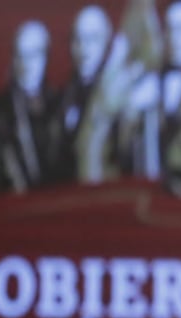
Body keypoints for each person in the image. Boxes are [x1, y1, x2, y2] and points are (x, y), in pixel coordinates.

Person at [115, 0, 181, 197]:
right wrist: (132, 111)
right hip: (147, 197)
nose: (176, 38)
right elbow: (121, 151)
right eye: (170, 29)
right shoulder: (147, 81)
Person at [0, 20, 56, 197]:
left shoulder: (59, 103)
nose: (26, 65)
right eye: (20, 55)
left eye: (34, 55)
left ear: (46, 56)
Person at [49, 5, 113, 185]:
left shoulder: (117, 96)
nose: (84, 48)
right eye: (78, 39)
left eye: (92, 39)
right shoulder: (63, 97)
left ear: (106, 41)